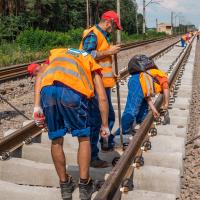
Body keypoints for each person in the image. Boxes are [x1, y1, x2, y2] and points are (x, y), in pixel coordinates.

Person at [32, 48, 110, 200]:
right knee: (84, 137)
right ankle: (84, 185)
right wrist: (105, 124)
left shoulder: (58, 53)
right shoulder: (90, 60)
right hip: (71, 91)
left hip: (47, 90)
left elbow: (41, 75)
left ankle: (65, 186)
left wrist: (37, 107)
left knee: (56, 139)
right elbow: (102, 98)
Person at [79, 10, 122, 168]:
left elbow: (102, 63)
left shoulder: (104, 35)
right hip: (94, 85)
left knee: (109, 116)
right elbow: (85, 55)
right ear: (108, 22)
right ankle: (92, 157)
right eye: (114, 26)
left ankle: (106, 142)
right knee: (95, 120)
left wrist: (111, 74)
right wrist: (108, 51)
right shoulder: (93, 34)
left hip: (104, 83)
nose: (115, 30)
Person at [114, 54, 169, 141]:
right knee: (131, 109)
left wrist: (154, 109)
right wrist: (166, 104)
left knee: (143, 107)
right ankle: (122, 132)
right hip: (137, 82)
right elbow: (166, 89)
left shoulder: (150, 78)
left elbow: (147, 96)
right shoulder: (162, 77)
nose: (160, 92)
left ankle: (142, 122)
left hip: (138, 81)